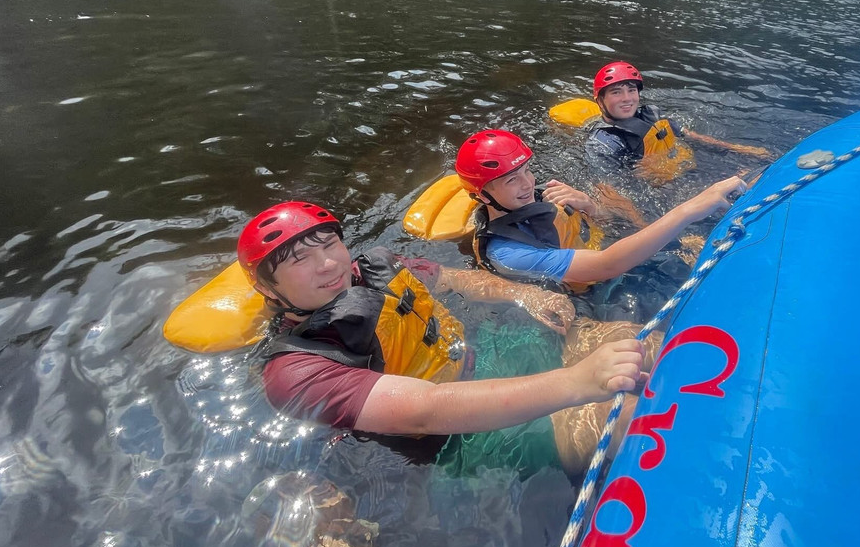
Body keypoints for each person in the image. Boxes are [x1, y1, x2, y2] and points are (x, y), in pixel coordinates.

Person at [238, 201, 653, 477]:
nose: (328, 264)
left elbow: (457, 279)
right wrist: (577, 382)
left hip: (487, 353)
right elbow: (425, 411)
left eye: (329, 245)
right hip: (460, 436)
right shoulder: (294, 369)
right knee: (618, 416)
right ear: (269, 290)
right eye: (300, 260)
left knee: (634, 341)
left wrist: (524, 293)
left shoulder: (379, 266)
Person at [455, 129, 747, 291]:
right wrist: (688, 210)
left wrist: (590, 206)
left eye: (527, 171)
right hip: (591, 296)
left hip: (610, 255)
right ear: (481, 195)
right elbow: (606, 265)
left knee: (703, 248)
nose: (528, 183)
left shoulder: (542, 195)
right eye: (511, 179)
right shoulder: (507, 252)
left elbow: (606, 226)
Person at [587, 61, 771, 184]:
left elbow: (691, 136)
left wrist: (740, 149)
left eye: (631, 90)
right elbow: (612, 187)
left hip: (683, 167)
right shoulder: (604, 143)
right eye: (616, 92)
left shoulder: (651, 115)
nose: (627, 98)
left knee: (750, 174)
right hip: (659, 187)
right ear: (600, 100)